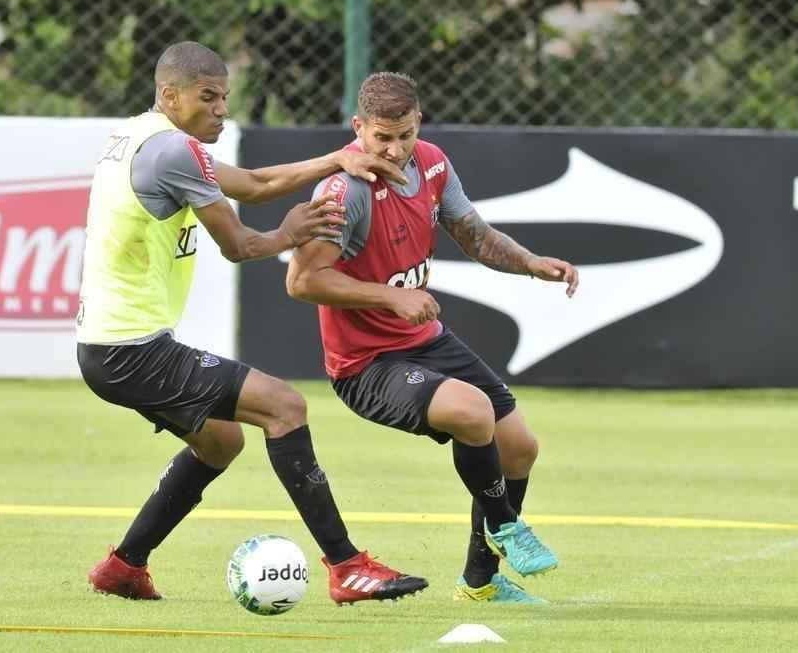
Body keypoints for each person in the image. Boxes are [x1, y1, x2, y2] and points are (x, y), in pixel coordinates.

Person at [77, 42, 428, 605]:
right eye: (208, 97)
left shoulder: (144, 136)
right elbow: (241, 244)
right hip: (130, 349)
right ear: (170, 95)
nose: (221, 109)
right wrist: (291, 233)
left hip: (110, 346)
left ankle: (123, 566)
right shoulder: (173, 152)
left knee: (220, 441)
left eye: (225, 97)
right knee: (284, 406)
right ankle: (346, 566)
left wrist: (337, 161)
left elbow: (256, 183)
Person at [285, 72, 579, 605]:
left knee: (519, 448)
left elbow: (475, 235)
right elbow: (302, 281)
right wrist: (391, 297)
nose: (395, 150)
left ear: (418, 122)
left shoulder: (433, 163)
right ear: (359, 129)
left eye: (405, 135)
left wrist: (532, 264)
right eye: (382, 138)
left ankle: (481, 582)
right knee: (472, 412)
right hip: (365, 363)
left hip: (424, 341)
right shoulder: (344, 190)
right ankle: (505, 527)